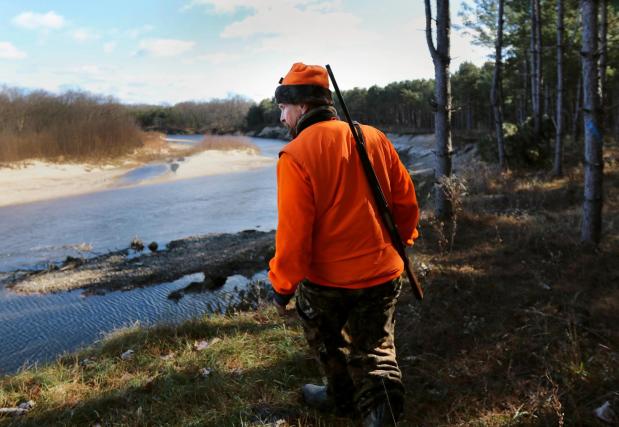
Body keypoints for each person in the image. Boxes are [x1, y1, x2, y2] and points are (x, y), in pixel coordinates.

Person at [268, 62, 420, 426]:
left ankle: (348, 400)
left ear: (302, 107)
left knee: (328, 342)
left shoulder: (296, 155)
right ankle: (361, 402)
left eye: (283, 109)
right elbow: (405, 202)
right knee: (376, 350)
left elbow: (293, 236)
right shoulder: (373, 136)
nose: (281, 118)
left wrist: (282, 286)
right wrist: (404, 241)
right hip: (384, 272)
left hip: (328, 283)